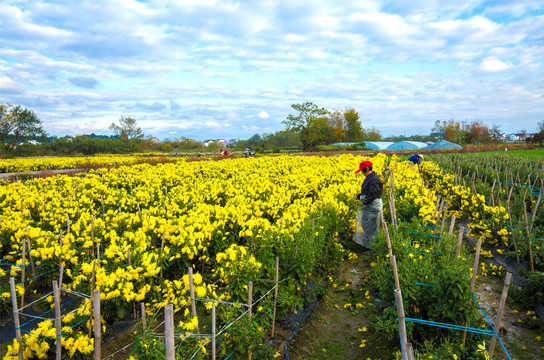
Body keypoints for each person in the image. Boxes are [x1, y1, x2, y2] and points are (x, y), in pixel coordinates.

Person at [354, 160, 383, 249]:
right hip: (370, 205)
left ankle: (372, 248)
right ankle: (369, 245)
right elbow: (368, 191)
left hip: (372, 206)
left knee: (370, 227)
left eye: (362, 170)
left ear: (367, 169)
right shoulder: (370, 177)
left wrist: (362, 200)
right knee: (367, 225)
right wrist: (358, 197)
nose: (362, 173)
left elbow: (373, 195)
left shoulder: (373, 179)